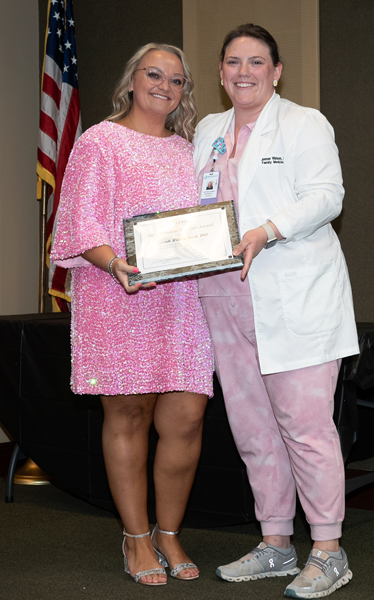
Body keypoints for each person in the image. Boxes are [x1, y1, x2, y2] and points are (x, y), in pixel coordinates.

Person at [193, 24, 359, 598]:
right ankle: (276, 545)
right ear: (220, 73)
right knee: (254, 429)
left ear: (276, 71)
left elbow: (326, 195)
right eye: (233, 61)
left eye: (256, 61)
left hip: (294, 297)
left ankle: (330, 550)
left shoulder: (304, 123)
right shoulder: (208, 130)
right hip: (225, 298)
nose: (244, 71)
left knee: (305, 430)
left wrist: (267, 229)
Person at [51, 43, 213, 586]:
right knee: (129, 414)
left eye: (176, 79)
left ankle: (170, 532)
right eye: (154, 74)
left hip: (181, 300)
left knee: (186, 417)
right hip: (117, 292)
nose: (164, 86)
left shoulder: (189, 151)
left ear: (184, 91)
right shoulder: (100, 141)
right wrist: (116, 263)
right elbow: (77, 221)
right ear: (133, 79)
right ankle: (137, 537)